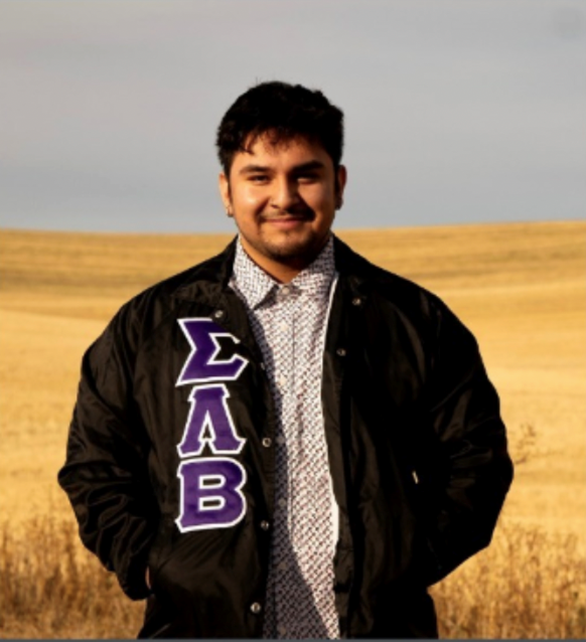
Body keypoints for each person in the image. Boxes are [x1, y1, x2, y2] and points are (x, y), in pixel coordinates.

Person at [58, 81, 513, 639]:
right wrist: (153, 564)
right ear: (226, 191)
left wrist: (403, 562)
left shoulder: (413, 320)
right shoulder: (152, 325)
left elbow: (475, 461)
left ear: (338, 185)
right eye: (259, 177)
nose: (284, 196)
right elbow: (96, 465)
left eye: (305, 174)